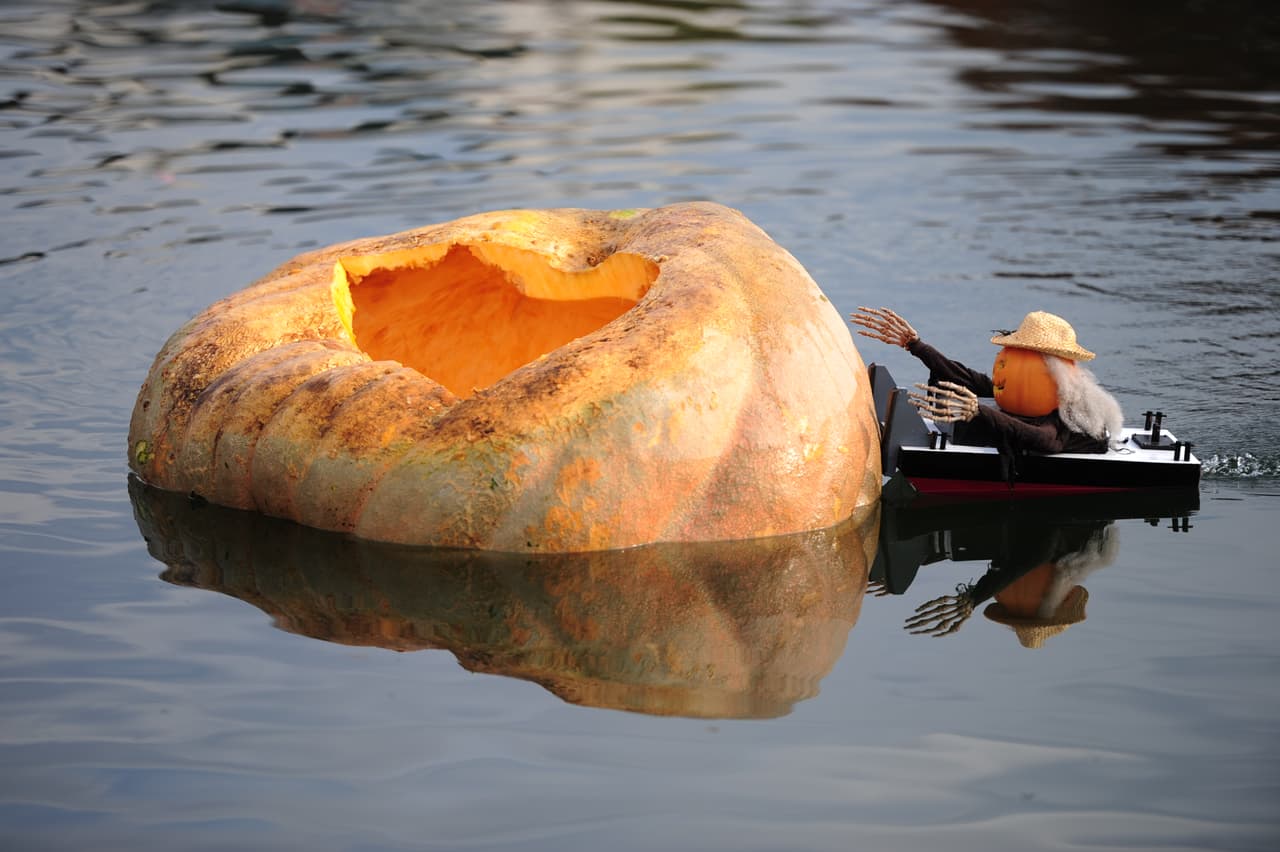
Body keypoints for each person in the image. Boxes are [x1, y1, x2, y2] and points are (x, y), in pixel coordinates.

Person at [851, 306, 1123, 455]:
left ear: (1055, 378)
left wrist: (978, 410)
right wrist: (916, 345)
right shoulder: (1016, 392)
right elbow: (963, 377)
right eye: (1004, 359)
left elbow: (1040, 440)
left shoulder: (1058, 423)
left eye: (1019, 363)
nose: (1002, 369)